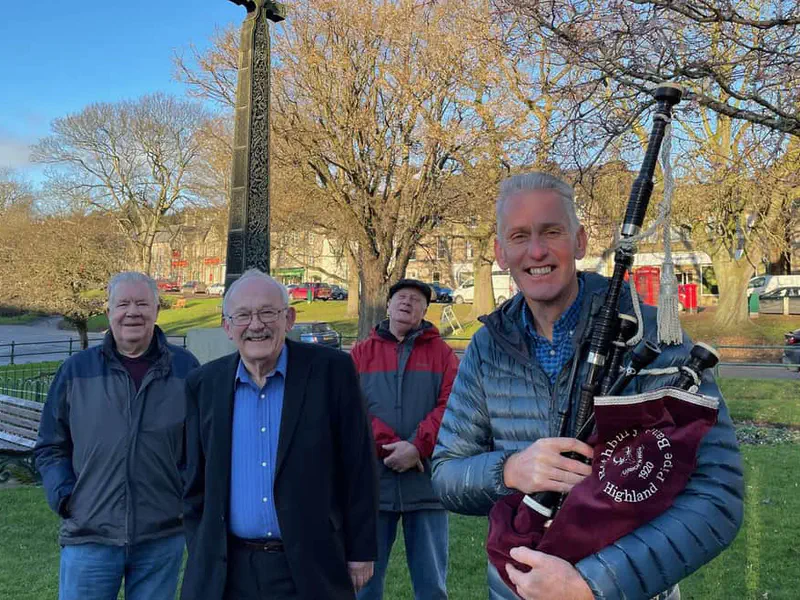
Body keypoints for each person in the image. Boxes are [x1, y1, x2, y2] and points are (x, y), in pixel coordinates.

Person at [431, 172, 744, 600]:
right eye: (519, 236)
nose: (536, 250)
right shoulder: (488, 346)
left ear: (579, 241)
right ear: (501, 252)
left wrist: (596, 584)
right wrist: (509, 470)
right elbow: (446, 473)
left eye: (551, 231)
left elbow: (716, 495)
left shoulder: (653, 335)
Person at [181, 268, 378, 600]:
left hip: (310, 564)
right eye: (243, 315)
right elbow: (193, 478)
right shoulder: (203, 384)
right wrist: (201, 544)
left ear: (289, 318)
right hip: (229, 568)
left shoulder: (332, 372)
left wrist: (361, 549)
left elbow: (358, 466)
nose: (256, 325)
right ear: (227, 326)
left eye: (268, 312)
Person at [34, 272, 200, 600]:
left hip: (161, 537)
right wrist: (65, 496)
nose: (132, 312)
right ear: (109, 311)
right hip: (90, 535)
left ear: (156, 309)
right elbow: (50, 446)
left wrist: (181, 496)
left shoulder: (186, 370)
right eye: (123, 303)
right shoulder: (76, 371)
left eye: (142, 303)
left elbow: (201, 448)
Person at [351, 279, 459, 600]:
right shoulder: (360, 355)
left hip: (426, 488)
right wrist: (389, 447)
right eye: (401, 297)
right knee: (364, 585)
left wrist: (417, 447)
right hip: (373, 489)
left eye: (415, 300)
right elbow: (349, 409)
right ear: (388, 305)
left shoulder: (443, 355)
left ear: (425, 311)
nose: (407, 303)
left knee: (431, 587)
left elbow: (452, 406)